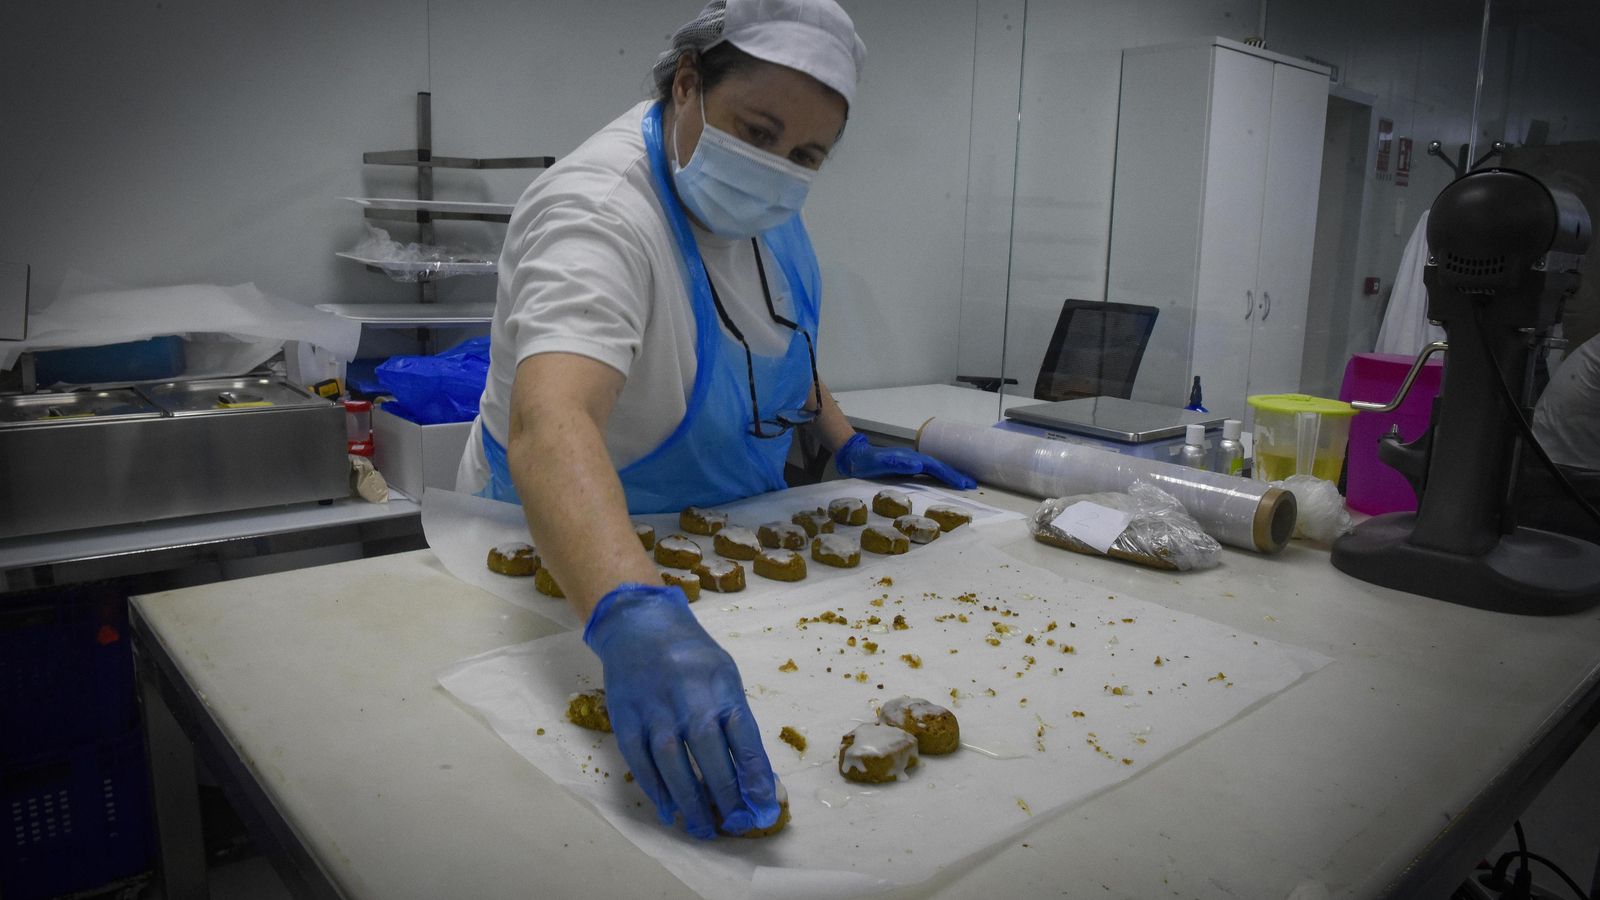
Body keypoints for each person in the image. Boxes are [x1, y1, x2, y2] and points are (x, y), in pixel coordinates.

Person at [455, 0, 975, 839]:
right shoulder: (598, 211)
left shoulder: (762, 204)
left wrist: (844, 439)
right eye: (758, 131)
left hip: (730, 561)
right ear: (687, 85)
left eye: (807, 153)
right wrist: (630, 611)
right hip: (580, 576)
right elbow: (553, 422)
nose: (778, 167)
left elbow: (778, 339)